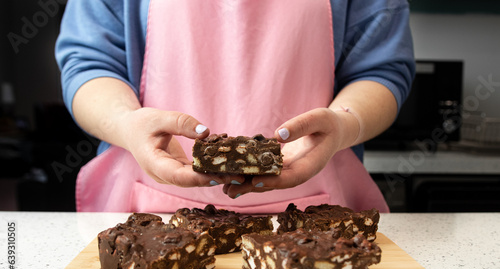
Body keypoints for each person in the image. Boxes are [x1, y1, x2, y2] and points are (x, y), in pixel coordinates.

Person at [55, 0, 415, 213]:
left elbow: (381, 70)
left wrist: (343, 125)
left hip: (315, 206)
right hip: (147, 203)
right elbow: (90, 62)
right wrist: (126, 123)